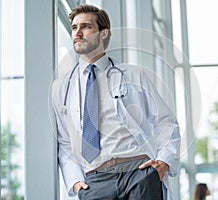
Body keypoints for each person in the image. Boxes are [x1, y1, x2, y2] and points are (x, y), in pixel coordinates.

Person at [52, 4, 180, 200]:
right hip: (94, 180)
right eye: (74, 27)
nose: (78, 33)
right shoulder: (61, 87)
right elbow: (65, 142)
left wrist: (163, 161)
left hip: (139, 172)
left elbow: (166, 121)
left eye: (85, 26)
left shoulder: (134, 74)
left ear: (104, 34)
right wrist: (76, 183)